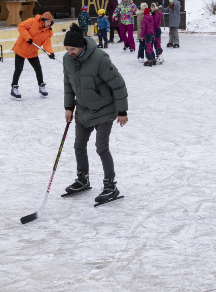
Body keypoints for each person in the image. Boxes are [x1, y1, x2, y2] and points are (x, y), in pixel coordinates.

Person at [61, 28, 129, 204]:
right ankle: (82, 179)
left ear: (80, 46)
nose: (69, 52)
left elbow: (118, 84)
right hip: (83, 110)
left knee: (101, 147)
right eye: (67, 49)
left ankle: (110, 186)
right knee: (79, 146)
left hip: (104, 109)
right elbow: (68, 84)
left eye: (72, 49)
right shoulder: (67, 60)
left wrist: (122, 111)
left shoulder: (99, 58)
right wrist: (69, 107)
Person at [11, 12, 56, 100]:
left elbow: (47, 44)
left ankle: (41, 86)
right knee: (18, 69)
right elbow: (21, 26)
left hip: (32, 52)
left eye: (50, 22)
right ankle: (14, 88)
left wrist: (50, 53)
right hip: (21, 48)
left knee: (38, 68)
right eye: (47, 21)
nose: (49, 23)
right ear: (43, 20)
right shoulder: (32, 21)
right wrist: (28, 37)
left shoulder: (48, 32)